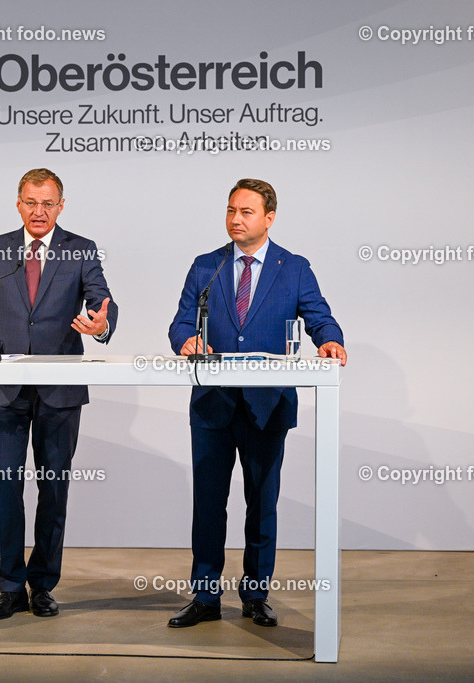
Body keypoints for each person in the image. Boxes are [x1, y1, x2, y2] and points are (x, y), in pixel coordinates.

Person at [0, 168, 118, 620]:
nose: (39, 211)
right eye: (31, 202)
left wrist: (101, 323)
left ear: (61, 207)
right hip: (5, 388)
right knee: (6, 488)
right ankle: (11, 586)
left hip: (60, 388)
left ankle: (44, 585)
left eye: (48, 203)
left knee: (54, 490)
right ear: (18, 203)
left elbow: (101, 299)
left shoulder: (81, 250)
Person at [166, 178, 345, 628]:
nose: (235, 220)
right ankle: (205, 597)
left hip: (267, 405)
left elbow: (319, 317)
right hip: (213, 405)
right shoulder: (206, 265)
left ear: (269, 217)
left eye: (246, 212)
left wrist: (330, 342)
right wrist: (187, 340)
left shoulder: (295, 267)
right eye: (230, 210)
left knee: (261, 504)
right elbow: (181, 322)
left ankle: (255, 595)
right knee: (208, 504)